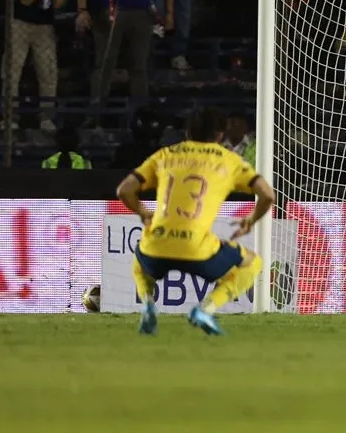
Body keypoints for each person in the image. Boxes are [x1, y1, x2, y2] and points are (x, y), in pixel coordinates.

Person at [114, 106, 277, 336]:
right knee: (253, 262)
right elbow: (268, 195)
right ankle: (205, 309)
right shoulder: (230, 161)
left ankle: (148, 305)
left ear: (188, 133)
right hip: (197, 250)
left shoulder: (165, 155)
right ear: (220, 136)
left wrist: (142, 212)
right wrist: (250, 220)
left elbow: (123, 190)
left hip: (157, 246)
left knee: (140, 260)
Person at [6, 0, 63, 132]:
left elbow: (57, 2)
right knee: (12, 71)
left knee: (48, 73)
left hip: (45, 28)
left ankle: (47, 118)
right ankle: (10, 117)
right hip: (20, 23)